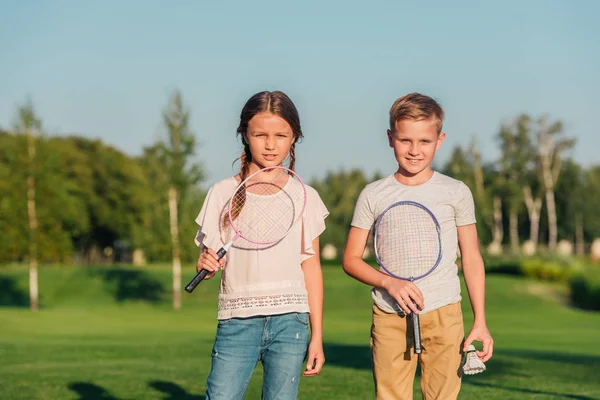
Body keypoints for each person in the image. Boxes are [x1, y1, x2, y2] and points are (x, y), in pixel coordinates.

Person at [342, 92, 494, 399]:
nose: (414, 151)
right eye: (405, 140)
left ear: (440, 140)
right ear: (390, 138)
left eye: (424, 141)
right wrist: (389, 283)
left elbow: (472, 258)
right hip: (389, 315)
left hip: (444, 314)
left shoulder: (456, 192)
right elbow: (350, 260)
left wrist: (481, 321)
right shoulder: (374, 194)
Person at [194, 90, 329, 400]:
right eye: (260, 134)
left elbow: (311, 267)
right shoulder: (222, 193)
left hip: (290, 322)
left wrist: (317, 336)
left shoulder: (304, 196)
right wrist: (205, 262)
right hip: (237, 322)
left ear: (294, 137)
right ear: (245, 135)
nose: (270, 144)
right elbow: (210, 261)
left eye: (281, 135)